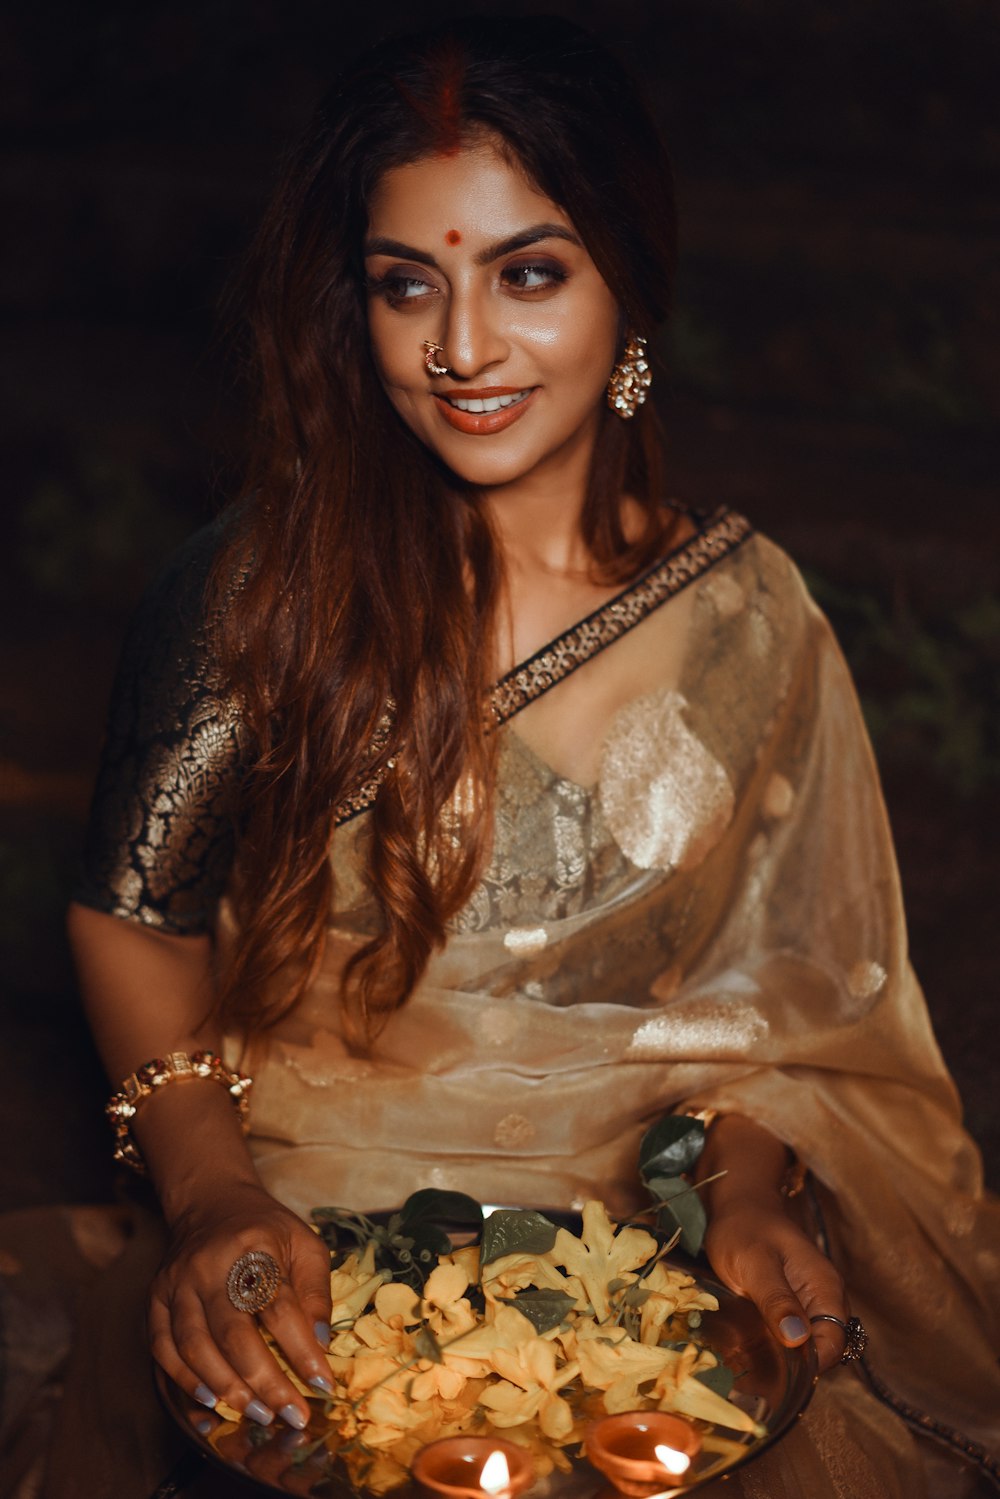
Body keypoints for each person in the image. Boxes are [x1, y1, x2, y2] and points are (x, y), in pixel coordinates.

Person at [4, 16, 997, 1499]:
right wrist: (212, 1197)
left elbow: (778, 1013)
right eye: (410, 284)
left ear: (628, 287)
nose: (462, 348)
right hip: (309, 1238)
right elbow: (131, 916)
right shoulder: (269, 592)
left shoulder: (750, 621)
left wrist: (745, 1193)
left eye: (528, 273)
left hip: (634, 1256)